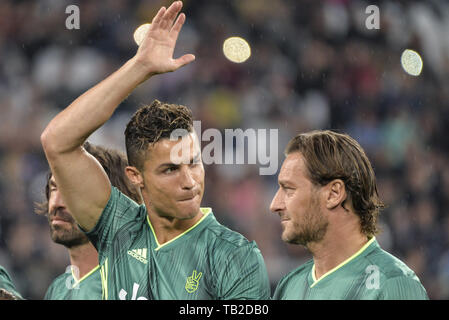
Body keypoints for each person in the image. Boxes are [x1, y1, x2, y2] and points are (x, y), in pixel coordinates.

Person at [40, 1, 270, 300]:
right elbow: (57, 140)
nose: (189, 181)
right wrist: (139, 68)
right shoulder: (118, 227)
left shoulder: (235, 257)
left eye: (193, 163)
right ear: (136, 177)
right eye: (170, 169)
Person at [271, 130, 428, 299]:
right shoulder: (290, 285)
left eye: (289, 189)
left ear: (333, 194)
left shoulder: (392, 284)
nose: (274, 205)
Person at [35, 142, 142, 300]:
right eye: (53, 189)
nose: (56, 203)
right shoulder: (57, 290)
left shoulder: (133, 283)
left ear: (112, 204)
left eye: (72, 191)